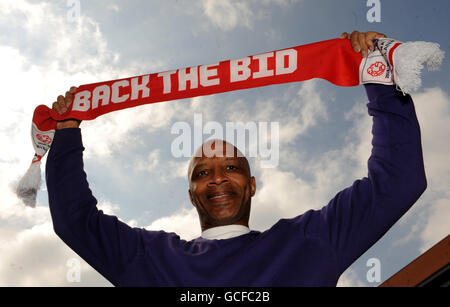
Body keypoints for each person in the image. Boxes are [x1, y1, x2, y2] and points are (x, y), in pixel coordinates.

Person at [46, 31, 427, 286]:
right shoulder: (150, 259)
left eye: (231, 167)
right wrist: (66, 133)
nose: (217, 177)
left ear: (253, 185)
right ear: (192, 194)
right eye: (202, 172)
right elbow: (76, 221)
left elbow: (397, 182)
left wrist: (376, 77)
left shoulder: (308, 240)